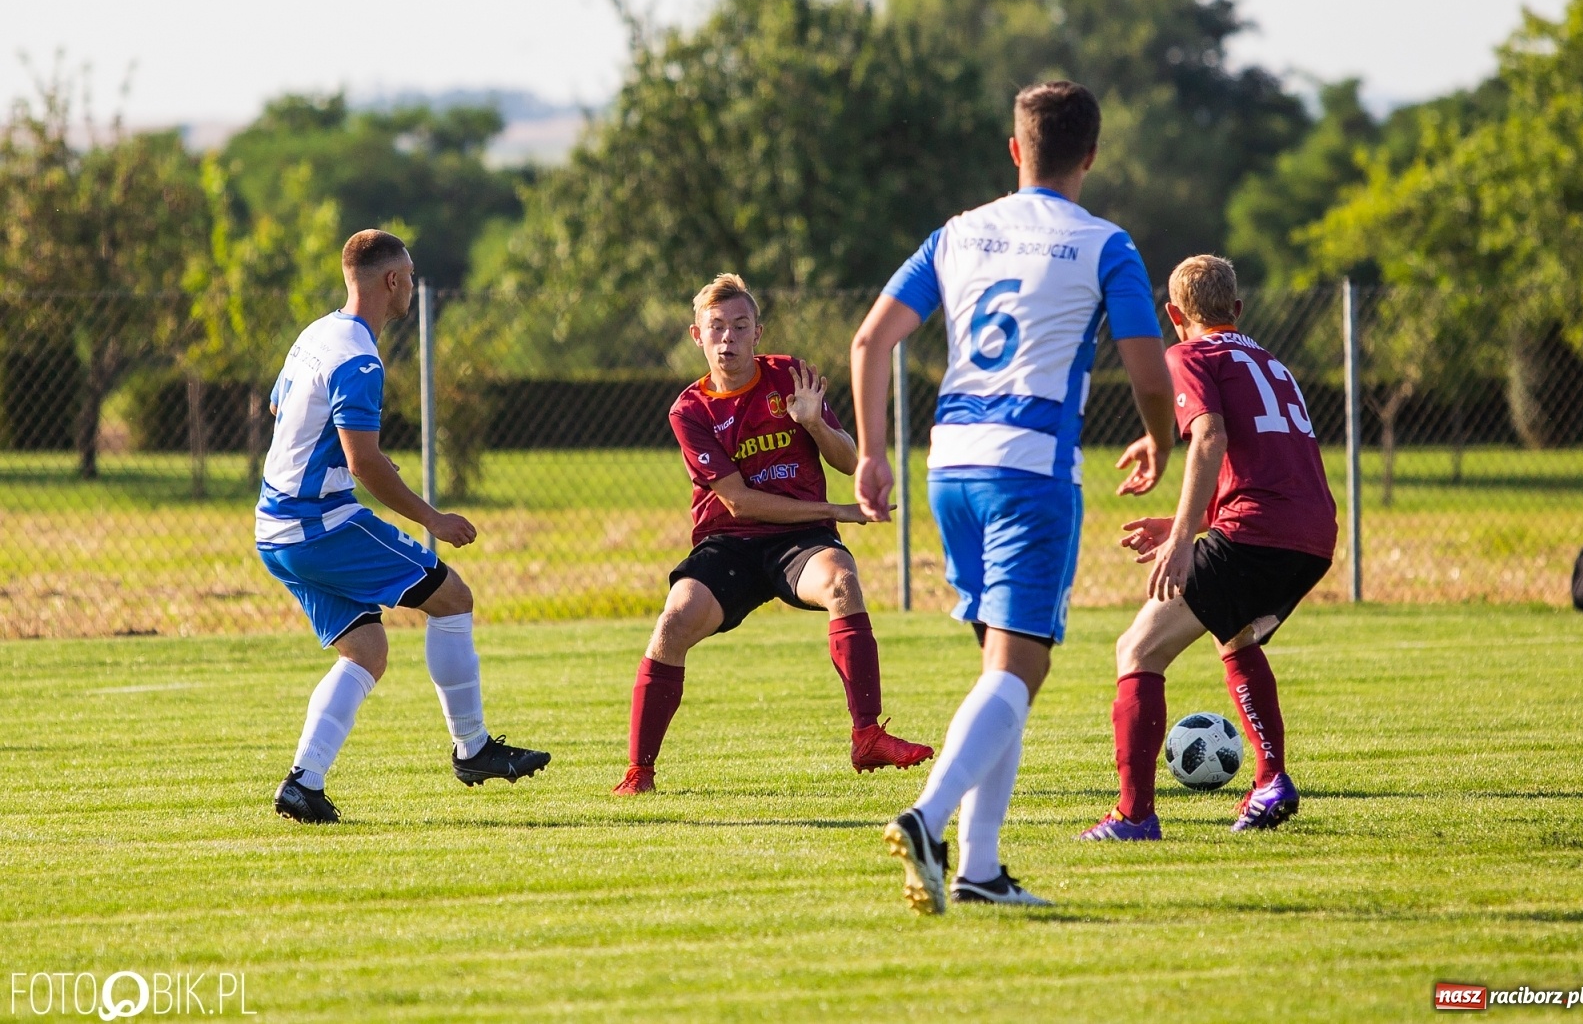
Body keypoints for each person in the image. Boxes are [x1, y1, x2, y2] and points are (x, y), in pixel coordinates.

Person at [852, 81, 1176, 913]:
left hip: (949, 465)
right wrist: (1160, 435)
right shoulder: (1106, 244)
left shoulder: (957, 234)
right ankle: (928, 818)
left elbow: (871, 338)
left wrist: (871, 456)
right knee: (1020, 669)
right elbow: (1148, 369)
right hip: (1030, 469)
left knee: (1002, 673)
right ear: (1092, 156)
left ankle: (981, 867)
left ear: (1014, 148)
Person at [259, 229, 549, 824]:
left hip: (273, 528)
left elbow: (277, 407)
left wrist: (340, 455)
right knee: (453, 598)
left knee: (366, 650)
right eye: (410, 277)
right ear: (392, 281)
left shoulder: (316, 334)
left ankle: (302, 784)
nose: (412, 287)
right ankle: (472, 749)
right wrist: (432, 519)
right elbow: (364, 463)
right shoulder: (360, 357)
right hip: (321, 525)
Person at [613, 273, 934, 795]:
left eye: (740, 326)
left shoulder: (789, 376)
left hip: (799, 540)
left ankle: (868, 736)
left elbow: (849, 458)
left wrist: (814, 424)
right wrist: (837, 510)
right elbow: (738, 500)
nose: (728, 339)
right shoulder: (689, 410)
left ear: (758, 332)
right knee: (673, 620)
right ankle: (639, 773)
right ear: (698, 335)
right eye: (716, 327)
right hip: (730, 542)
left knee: (841, 583)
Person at [1079, 254, 1336, 842]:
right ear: (1237, 310)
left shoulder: (1187, 354)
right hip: (1312, 535)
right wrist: (1185, 521)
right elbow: (1268, 468)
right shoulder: (1271, 363)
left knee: (1137, 649)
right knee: (1235, 634)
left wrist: (1181, 538)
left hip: (1257, 531)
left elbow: (1211, 437)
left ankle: (1134, 816)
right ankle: (1270, 780)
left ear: (1173, 315)